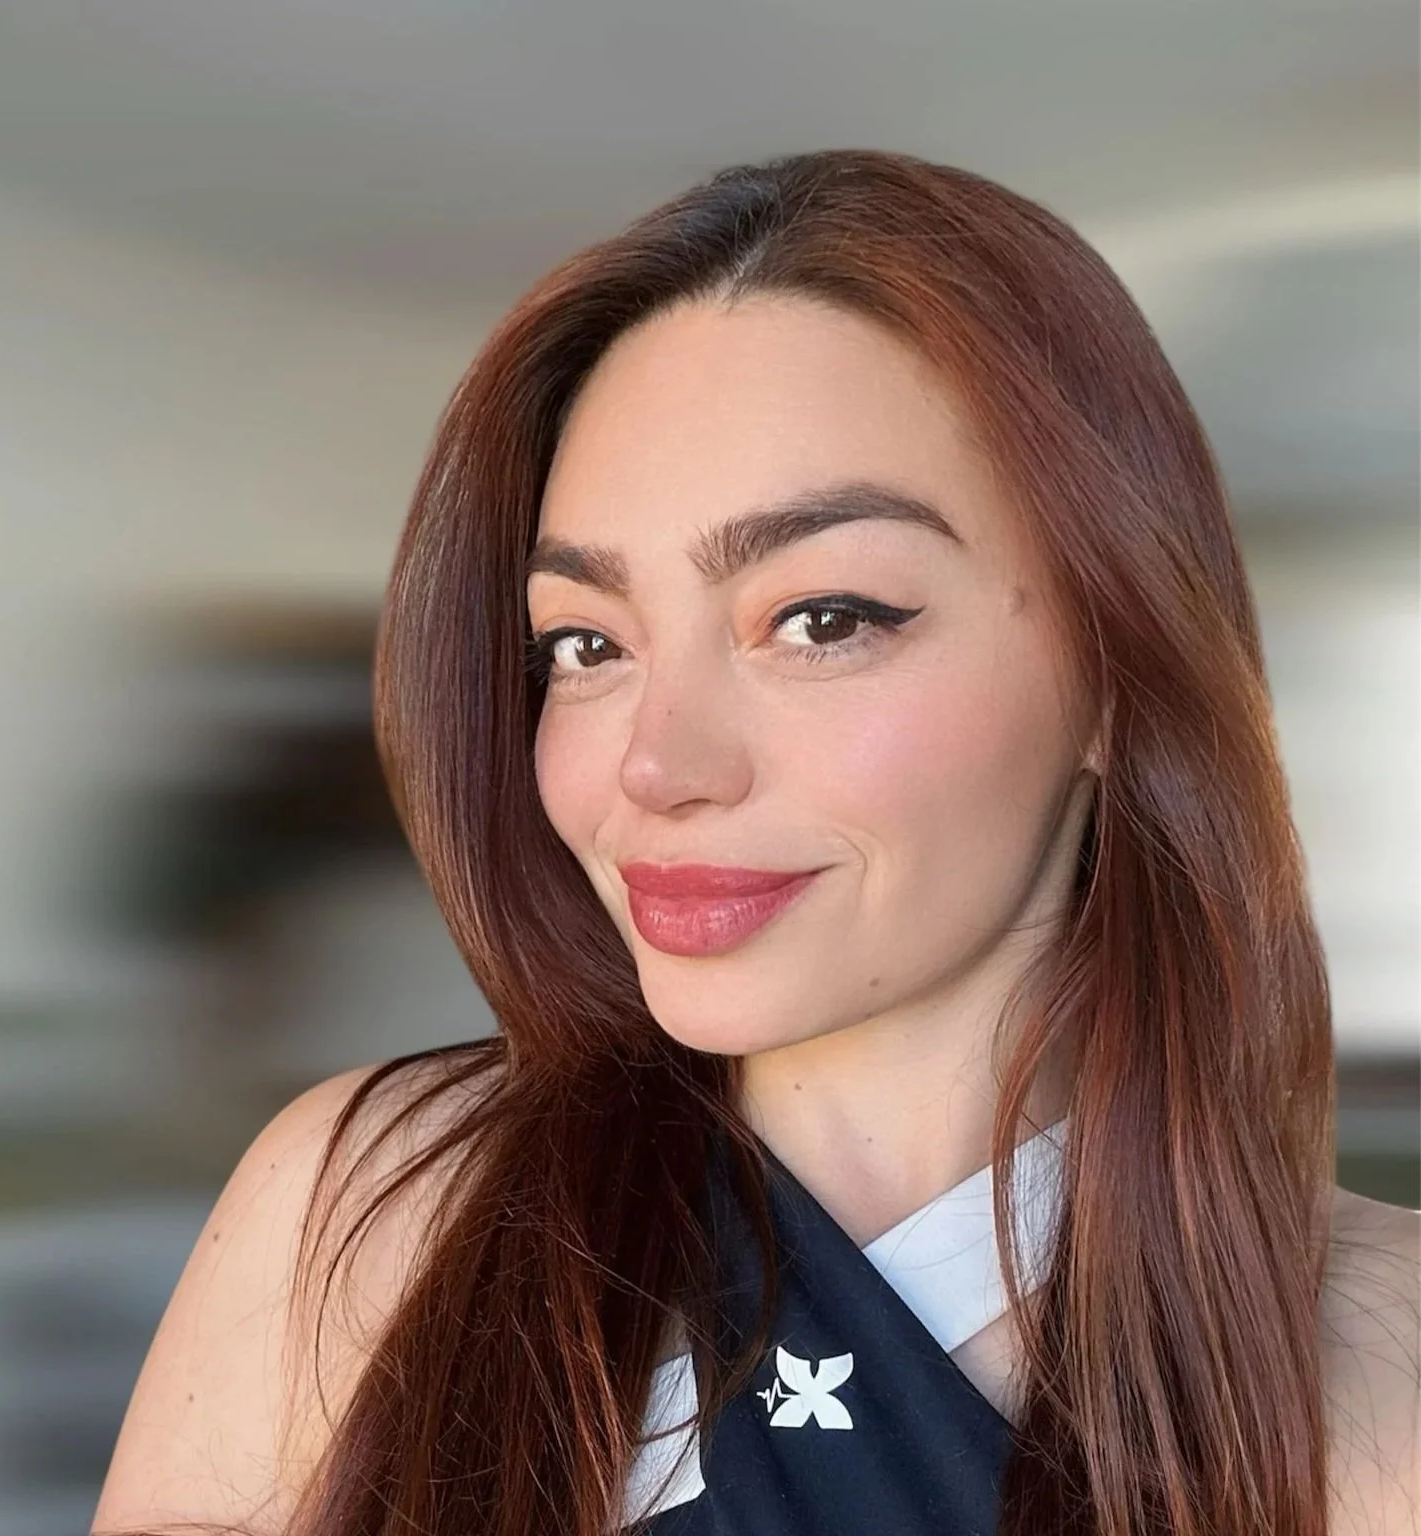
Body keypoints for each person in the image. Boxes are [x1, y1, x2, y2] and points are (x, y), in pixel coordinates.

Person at [92, 150, 1418, 1536]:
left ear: (1115, 667)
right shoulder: (370, 1213)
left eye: (824, 618)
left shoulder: (1385, 1360)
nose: (654, 766)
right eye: (586, 644)